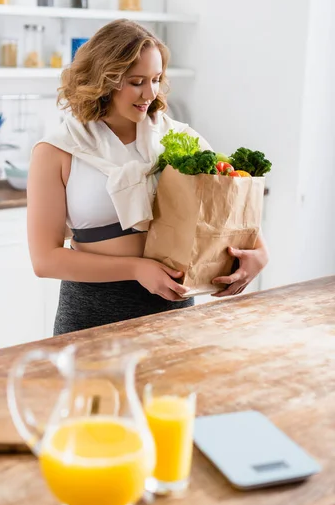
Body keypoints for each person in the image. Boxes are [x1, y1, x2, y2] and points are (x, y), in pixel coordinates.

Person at [27, 19, 269, 335]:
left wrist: (258, 258)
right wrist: (136, 269)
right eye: (137, 81)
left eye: (155, 79)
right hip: (92, 316)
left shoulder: (182, 138)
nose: (150, 93)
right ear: (104, 79)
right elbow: (45, 260)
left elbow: (235, 223)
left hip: (173, 314)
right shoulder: (57, 151)